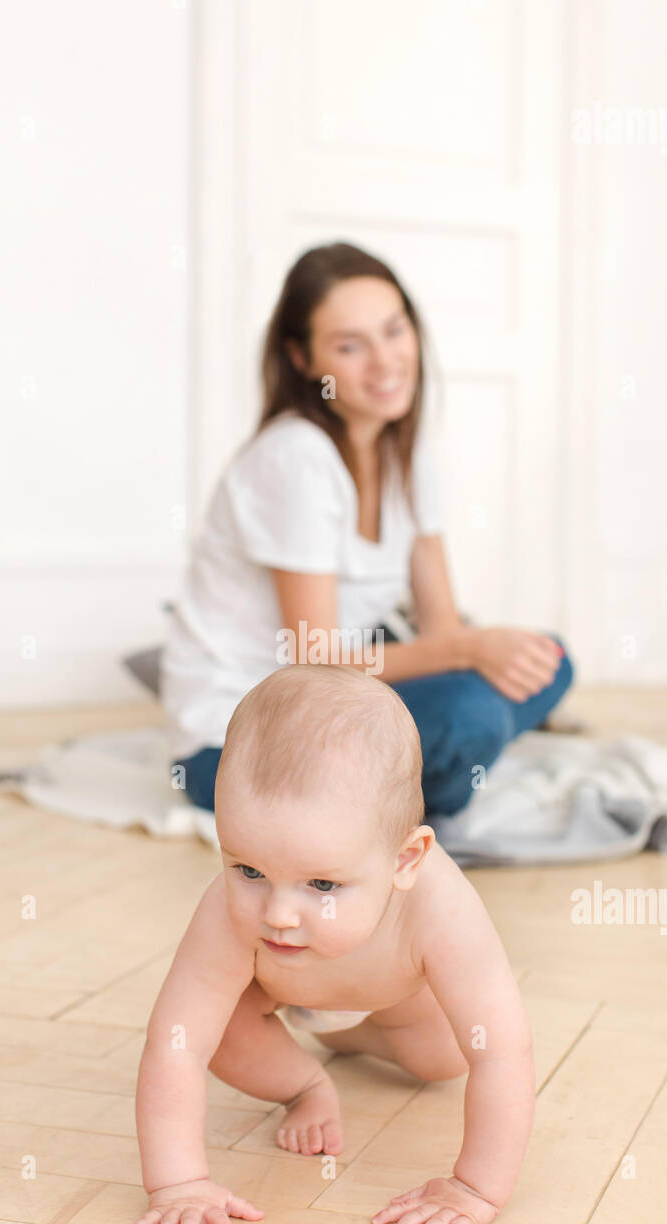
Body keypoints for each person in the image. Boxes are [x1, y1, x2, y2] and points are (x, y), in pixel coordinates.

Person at [124, 663, 535, 1224]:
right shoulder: (228, 913)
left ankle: (359, 1036)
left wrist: (476, 1188)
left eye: (321, 885)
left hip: (397, 996)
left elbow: (503, 1050)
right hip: (273, 991)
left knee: (445, 1058)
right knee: (220, 1034)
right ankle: (305, 1085)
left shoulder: (441, 908)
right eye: (248, 870)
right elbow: (175, 1044)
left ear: (405, 860)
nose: (279, 915)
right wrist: (178, 1183)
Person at [161, 241, 574, 823]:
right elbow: (313, 661)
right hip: (242, 744)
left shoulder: (405, 449)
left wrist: (479, 651)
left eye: (394, 331)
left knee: (548, 657)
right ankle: (436, 772)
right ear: (302, 360)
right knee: (470, 716)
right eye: (351, 346)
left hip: (338, 711)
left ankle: (419, 776)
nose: (386, 363)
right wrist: (471, 650)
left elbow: (442, 631)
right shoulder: (296, 459)